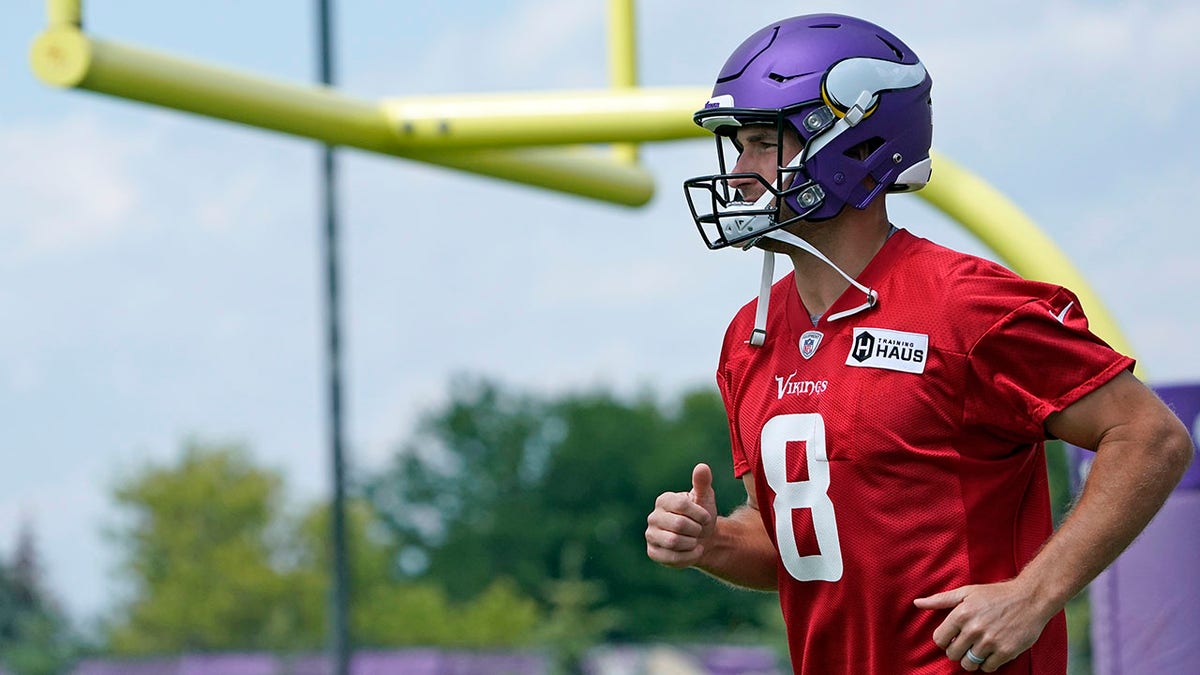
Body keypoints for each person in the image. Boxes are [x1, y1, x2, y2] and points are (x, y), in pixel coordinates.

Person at [645, 13, 1193, 675]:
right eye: (739, 146)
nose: (739, 172)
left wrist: (1035, 591)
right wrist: (714, 541)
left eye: (763, 143)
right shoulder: (747, 337)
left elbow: (1151, 436)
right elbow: (796, 543)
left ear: (853, 145)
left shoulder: (963, 304)